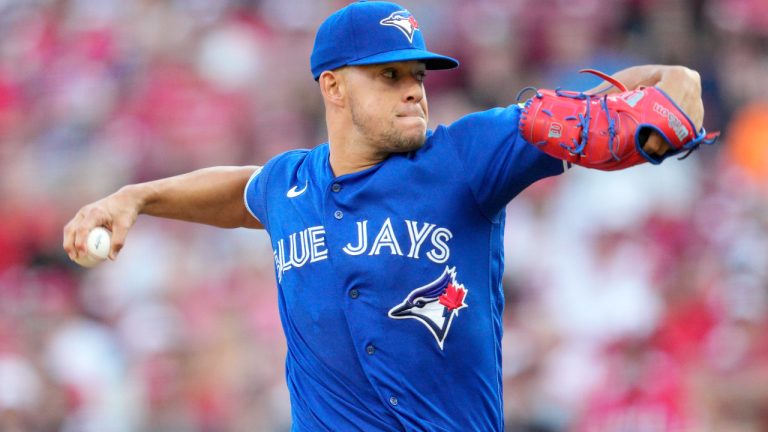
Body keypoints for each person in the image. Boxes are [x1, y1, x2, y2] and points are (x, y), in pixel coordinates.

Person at [63, 1, 712, 430]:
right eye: (388, 74)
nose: (412, 89)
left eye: (418, 75)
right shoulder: (293, 184)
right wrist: (137, 197)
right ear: (334, 85)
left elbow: (667, 92)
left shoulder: (467, 155)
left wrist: (674, 94)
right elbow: (240, 192)